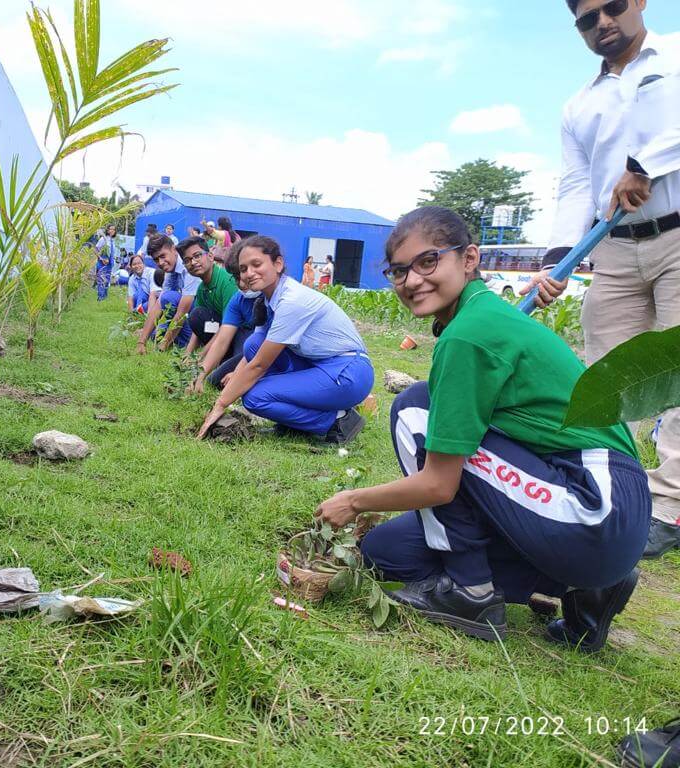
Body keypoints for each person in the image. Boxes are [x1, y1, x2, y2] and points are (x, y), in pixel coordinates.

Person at [313, 207, 650, 648]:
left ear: (469, 258)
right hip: (600, 515)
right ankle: (586, 586)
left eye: (428, 261)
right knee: (386, 552)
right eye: (398, 271)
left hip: (594, 506)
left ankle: (469, 591)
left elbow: (438, 485)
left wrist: (353, 501)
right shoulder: (484, 317)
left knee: (415, 408)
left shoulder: (469, 334)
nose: (412, 280)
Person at [522, 0, 680, 559]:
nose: (603, 23)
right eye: (587, 20)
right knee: (603, 374)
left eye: (612, 8)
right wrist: (559, 258)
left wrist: (644, 167)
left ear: (638, 2)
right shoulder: (578, 105)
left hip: (678, 236)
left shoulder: (677, 55)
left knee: (679, 369)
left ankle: (668, 507)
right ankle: (612, 487)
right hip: (613, 247)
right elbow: (575, 184)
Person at [196, 235, 372, 444]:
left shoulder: (292, 301)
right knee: (253, 344)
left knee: (256, 397)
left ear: (277, 264)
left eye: (256, 264)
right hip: (319, 365)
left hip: (348, 373)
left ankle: (338, 420)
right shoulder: (267, 301)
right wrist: (235, 378)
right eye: (243, 269)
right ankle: (295, 421)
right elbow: (254, 355)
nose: (249, 273)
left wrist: (221, 404)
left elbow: (259, 365)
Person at [188, 242, 260, 394]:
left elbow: (266, 346)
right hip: (244, 341)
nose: (241, 283)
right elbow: (222, 339)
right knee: (213, 381)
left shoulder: (274, 299)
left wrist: (239, 372)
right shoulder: (238, 299)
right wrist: (200, 373)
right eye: (236, 277)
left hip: (270, 352)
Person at [135, 233, 200, 353]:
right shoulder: (171, 270)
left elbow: (183, 311)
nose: (160, 262)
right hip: (187, 320)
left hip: (200, 323)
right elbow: (159, 305)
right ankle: (173, 340)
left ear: (174, 249)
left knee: (170, 297)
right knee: (155, 333)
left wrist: (163, 344)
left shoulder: (189, 266)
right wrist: (142, 341)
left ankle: (184, 342)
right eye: (156, 259)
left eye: (163, 256)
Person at [174, 236, 239, 355]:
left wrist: (201, 355)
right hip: (221, 331)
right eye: (187, 260)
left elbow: (227, 327)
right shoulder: (201, 288)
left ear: (210, 256)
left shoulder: (227, 282)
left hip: (237, 333)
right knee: (196, 315)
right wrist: (188, 354)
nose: (193, 262)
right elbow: (197, 328)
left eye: (197, 256)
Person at [93, 225, 118, 301]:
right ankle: (100, 298)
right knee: (101, 280)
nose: (112, 231)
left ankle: (105, 297)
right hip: (102, 263)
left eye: (114, 229)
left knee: (107, 280)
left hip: (110, 263)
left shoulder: (112, 240)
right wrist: (101, 258)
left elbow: (111, 252)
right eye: (111, 229)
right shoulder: (103, 239)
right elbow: (95, 250)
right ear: (107, 230)